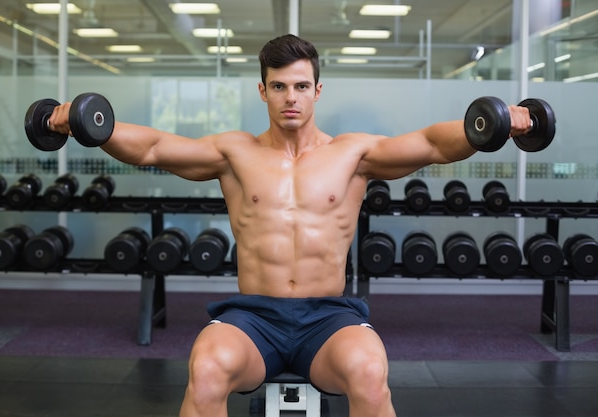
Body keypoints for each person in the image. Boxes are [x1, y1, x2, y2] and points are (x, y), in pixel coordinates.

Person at [48, 34, 532, 417]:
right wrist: (95, 126)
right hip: (253, 318)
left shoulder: (353, 153)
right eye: (278, 86)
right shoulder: (234, 153)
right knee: (207, 368)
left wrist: (489, 125)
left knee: (369, 372)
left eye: (301, 86)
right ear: (263, 90)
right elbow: (154, 147)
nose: (290, 98)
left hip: (328, 318)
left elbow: (431, 144)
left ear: (318, 90)